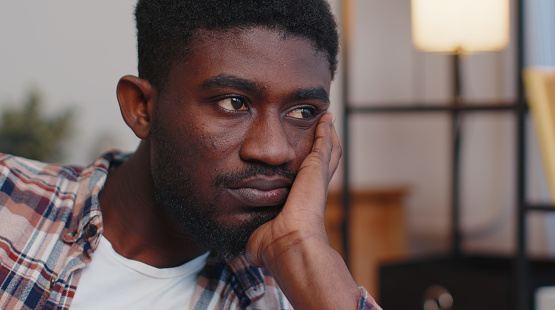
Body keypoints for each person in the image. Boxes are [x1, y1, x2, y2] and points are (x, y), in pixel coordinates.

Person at [0, 0, 381, 309]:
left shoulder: (299, 295)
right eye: (234, 103)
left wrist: (299, 249)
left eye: (302, 112)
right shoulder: (8, 202)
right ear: (142, 108)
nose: (274, 150)